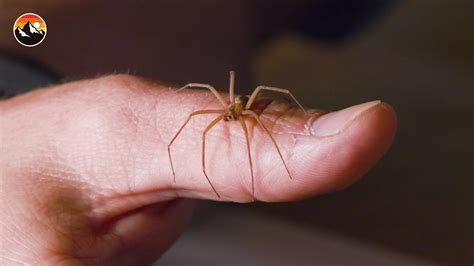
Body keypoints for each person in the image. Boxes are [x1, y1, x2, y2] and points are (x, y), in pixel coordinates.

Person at [0, 74, 397, 265]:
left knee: (259, 130)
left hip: (249, 104)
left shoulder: (243, 112)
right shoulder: (216, 112)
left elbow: (255, 105)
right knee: (204, 126)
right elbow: (202, 113)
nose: (225, 116)